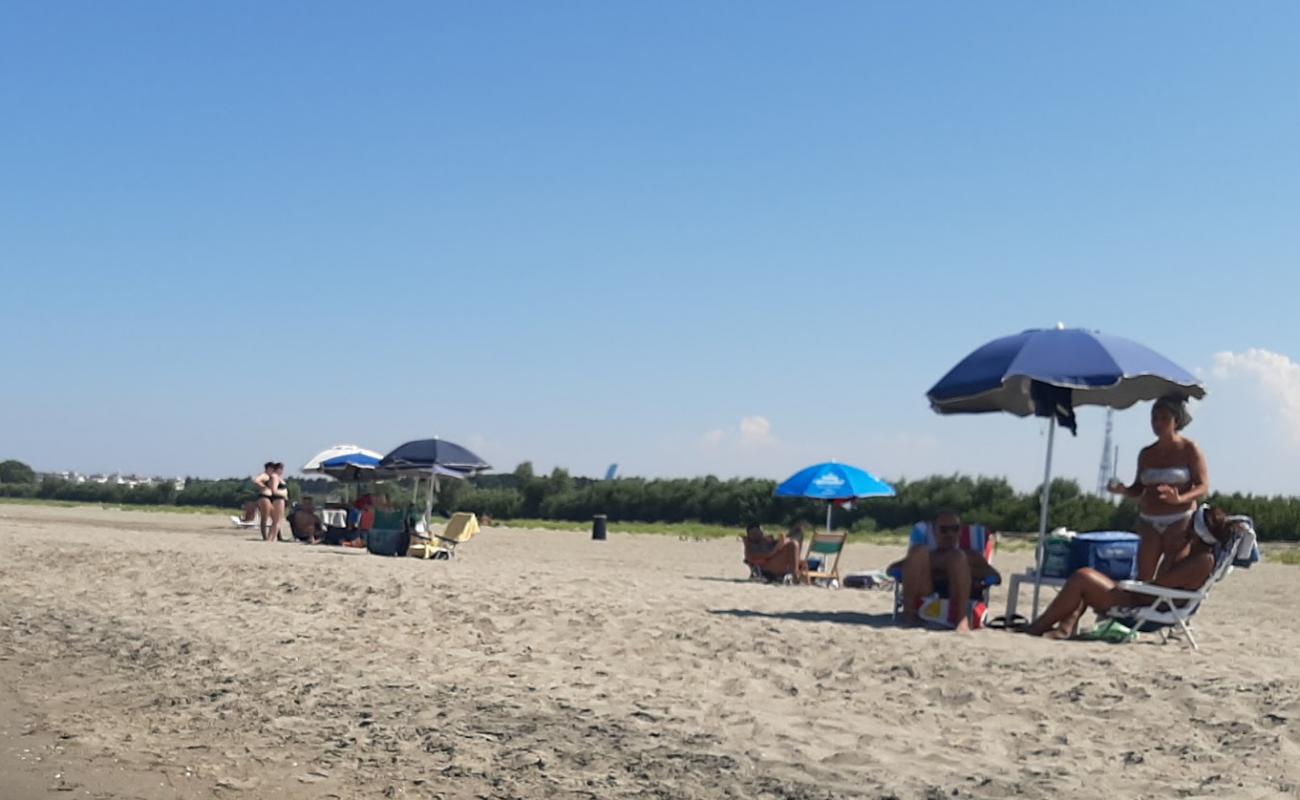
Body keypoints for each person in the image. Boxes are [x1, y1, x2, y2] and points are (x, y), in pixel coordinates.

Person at [1025, 505, 1234, 639]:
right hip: (1152, 603)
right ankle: (1064, 628)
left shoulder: (1201, 561)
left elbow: (1160, 585)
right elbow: (1163, 581)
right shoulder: (1194, 554)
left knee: (1083, 577)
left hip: (1148, 608)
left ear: (1196, 531)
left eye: (1188, 524)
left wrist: (1130, 588)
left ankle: (1036, 629)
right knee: (1089, 578)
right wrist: (1173, 552)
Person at [1107, 395, 1209, 581]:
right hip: (1149, 520)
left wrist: (1180, 499)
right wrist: (1123, 491)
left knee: (1169, 574)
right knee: (1143, 574)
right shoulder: (1146, 454)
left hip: (1179, 519)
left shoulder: (1189, 449)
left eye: (1164, 418)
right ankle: (1142, 607)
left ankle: (1164, 608)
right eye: (1154, 418)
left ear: (1176, 421)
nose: (1158, 423)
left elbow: (1203, 486)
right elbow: (1139, 488)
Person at [889, 511, 999, 632]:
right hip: (927, 590)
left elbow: (994, 576)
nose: (950, 534)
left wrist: (968, 572)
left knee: (958, 557)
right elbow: (893, 568)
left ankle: (961, 619)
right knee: (918, 551)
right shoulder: (925, 555)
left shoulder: (971, 555)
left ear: (960, 531)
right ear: (934, 532)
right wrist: (935, 565)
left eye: (955, 529)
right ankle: (908, 612)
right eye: (944, 529)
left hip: (959, 594)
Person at [252, 461, 277, 541]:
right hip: (264, 497)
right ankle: (265, 536)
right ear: (269, 468)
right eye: (272, 469)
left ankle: (271, 535)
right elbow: (256, 480)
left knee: (275, 518)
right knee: (264, 517)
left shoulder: (270, 477)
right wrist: (263, 486)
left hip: (268, 498)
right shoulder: (264, 475)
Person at [266, 462, 290, 543]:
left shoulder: (276, 477)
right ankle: (273, 538)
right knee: (278, 520)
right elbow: (274, 490)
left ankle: (270, 537)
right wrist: (283, 493)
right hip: (278, 499)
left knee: (275, 520)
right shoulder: (275, 477)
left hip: (278, 499)